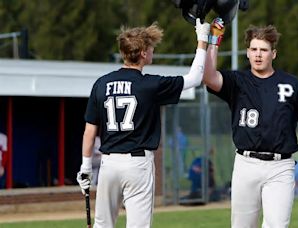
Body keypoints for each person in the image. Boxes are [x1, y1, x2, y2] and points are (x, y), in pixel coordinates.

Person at [203, 18, 298, 228]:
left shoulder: (290, 85)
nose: (257, 54)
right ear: (247, 52)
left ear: (273, 54)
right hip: (246, 165)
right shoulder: (238, 82)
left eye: (263, 50)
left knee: (277, 225)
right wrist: (214, 41)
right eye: (253, 49)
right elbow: (208, 77)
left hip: (280, 167)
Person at [76, 19, 210, 228]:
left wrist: (85, 168)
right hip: (137, 164)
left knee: (103, 225)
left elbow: (89, 132)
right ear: (144, 54)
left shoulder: (101, 84)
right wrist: (203, 40)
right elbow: (195, 78)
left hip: (108, 163)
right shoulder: (150, 84)